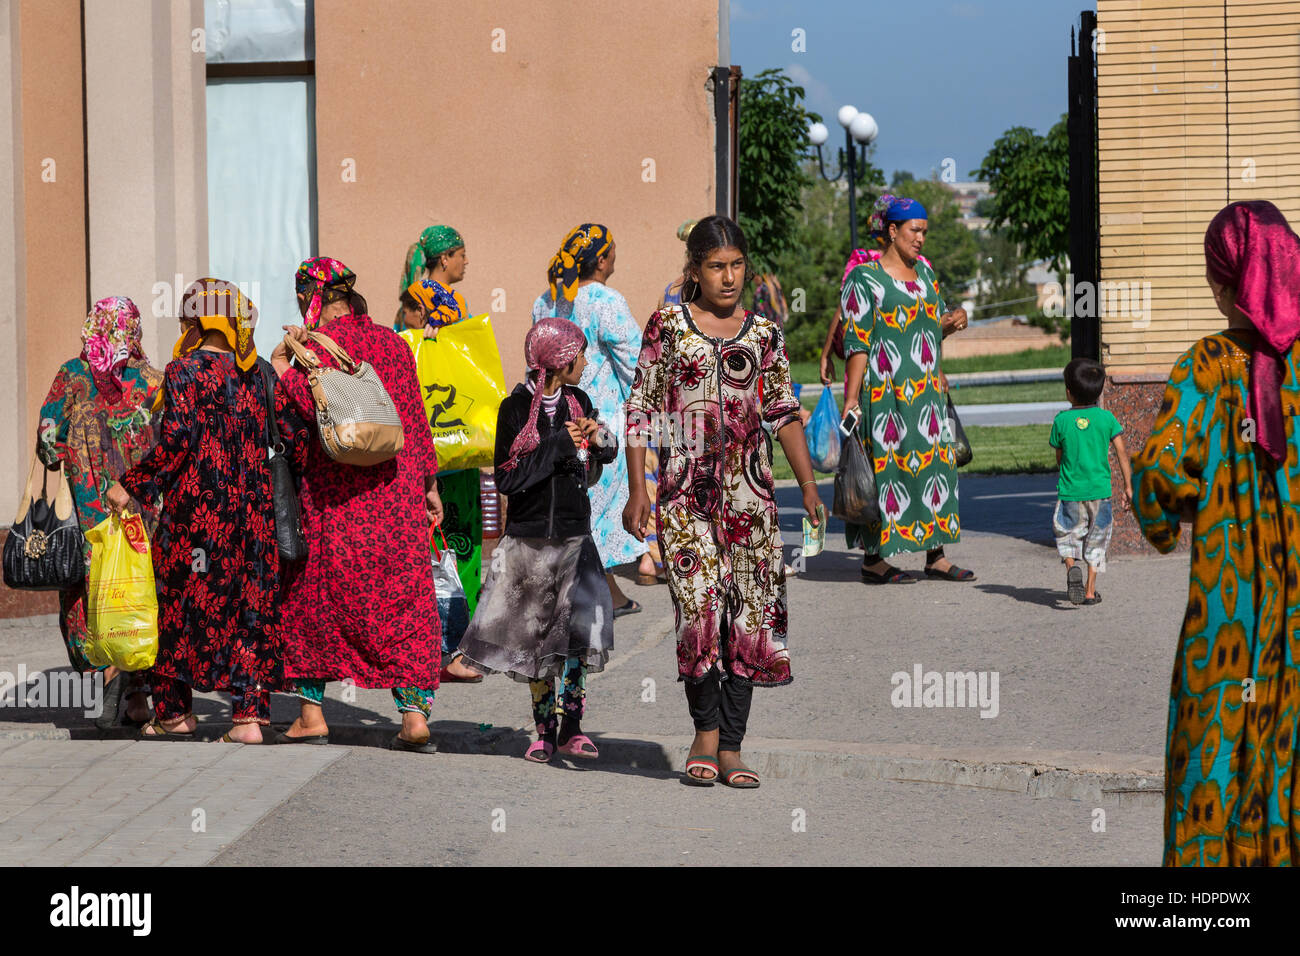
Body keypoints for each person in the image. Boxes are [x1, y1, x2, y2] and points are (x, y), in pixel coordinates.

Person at [623, 215, 821, 788]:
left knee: (750, 619)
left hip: (752, 499)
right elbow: (641, 408)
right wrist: (640, 488)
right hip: (685, 497)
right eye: (716, 266)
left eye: (736, 265)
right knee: (700, 613)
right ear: (695, 270)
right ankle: (703, 733)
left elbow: (783, 412)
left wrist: (808, 487)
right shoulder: (669, 327)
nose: (728, 277)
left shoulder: (764, 335)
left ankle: (732, 746)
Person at [1133, 199, 1300, 866]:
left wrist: (1164, 523)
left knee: (1216, 753)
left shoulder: (1205, 366)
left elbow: (1162, 483)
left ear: (1226, 279)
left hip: (1228, 616)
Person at [107, 279, 309, 742]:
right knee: (250, 608)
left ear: (198, 320)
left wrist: (132, 486)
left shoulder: (184, 371)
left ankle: (176, 713)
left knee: (178, 605)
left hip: (197, 517)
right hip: (254, 516)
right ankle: (249, 718)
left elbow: (175, 442)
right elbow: (294, 439)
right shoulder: (260, 373)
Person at [271, 257, 445, 752]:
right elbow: (414, 418)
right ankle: (414, 720)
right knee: (405, 602)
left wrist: (283, 364)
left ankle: (310, 715)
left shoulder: (311, 353)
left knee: (314, 600)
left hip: (335, 501)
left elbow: (300, 414)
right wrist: (429, 486)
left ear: (313, 299)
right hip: (395, 497)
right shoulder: (392, 342)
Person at [456, 318, 616, 762]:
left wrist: (600, 440)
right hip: (529, 542)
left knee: (578, 636)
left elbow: (604, 451)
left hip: (574, 536)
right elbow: (509, 479)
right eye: (580, 355)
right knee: (536, 640)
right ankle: (545, 730)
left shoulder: (579, 401)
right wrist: (559, 447)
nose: (585, 362)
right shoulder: (513, 410)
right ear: (561, 361)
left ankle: (573, 727)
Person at [37, 296, 163, 729]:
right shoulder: (151, 379)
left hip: (91, 516)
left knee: (96, 589)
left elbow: (47, 440)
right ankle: (138, 699)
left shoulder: (72, 375)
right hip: (142, 510)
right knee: (139, 591)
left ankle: (110, 674)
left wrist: (68, 450)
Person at [841, 194, 974, 584]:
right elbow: (857, 341)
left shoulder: (927, 276)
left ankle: (936, 556)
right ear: (893, 230)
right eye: (914, 230)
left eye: (925, 232)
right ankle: (874, 560)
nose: (921, 238)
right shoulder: (864, 279)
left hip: (927, 395)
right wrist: (851, 398)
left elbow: (929, 333)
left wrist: (952, 322)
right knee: (887, 470)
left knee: (934, 468)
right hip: (884, 394)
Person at [533, 223, 649, 615]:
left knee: (578, 507)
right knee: (593, 512)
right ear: (601, 259)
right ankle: (582, 600)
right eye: (613, 251)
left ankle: (607, 595)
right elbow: (637, 365)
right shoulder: (605, 301)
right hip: (599, 425)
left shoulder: (545, 302)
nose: (616, 257)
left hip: (554, 419)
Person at [398, 225, 485, 683]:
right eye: (462, 255)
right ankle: (458, 641)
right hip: (454, 443)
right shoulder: (447, 303)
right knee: (459, 537)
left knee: (429, 540)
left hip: (421, 442)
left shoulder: (408, 303)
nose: (466, 263)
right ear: (446, 258)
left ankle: (430, 637)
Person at [1049, 358, 1131, 606]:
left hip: (1071, 492)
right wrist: (1128, 486)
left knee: (1067, 534)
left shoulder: (1061, 420)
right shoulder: (1106, 419)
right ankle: (1089, 591)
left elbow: (1059, 456)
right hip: (1100, 493)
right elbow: (1121, 453)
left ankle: (1071, 566)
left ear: (1068, 391)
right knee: (1097, 540)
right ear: (1100, 390)